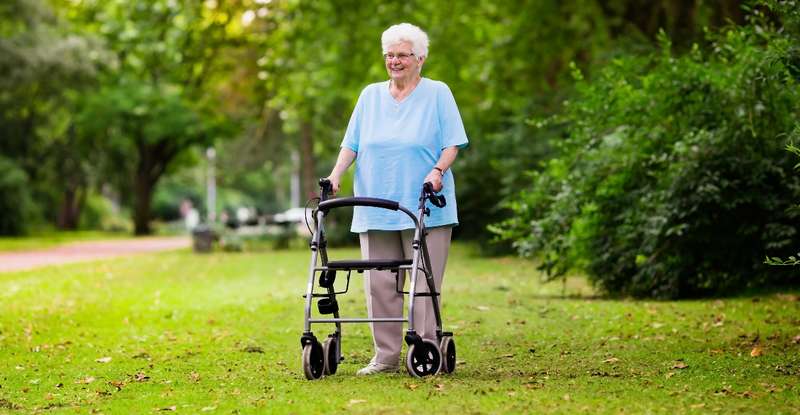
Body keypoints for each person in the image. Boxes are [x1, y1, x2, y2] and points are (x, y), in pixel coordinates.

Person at [325, 22, 468, 375]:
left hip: (425, 205)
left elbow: (452, 143)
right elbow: (352, 143)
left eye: (402, 54)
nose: (395, 61)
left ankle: (424, 351)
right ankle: (386, 356)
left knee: (422, 282)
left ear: (420, 58)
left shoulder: (438, 93)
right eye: (389, 54)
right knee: (380, 283)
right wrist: (336, 174)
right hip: (375, 204)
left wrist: (437, 171)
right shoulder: (370, 96)